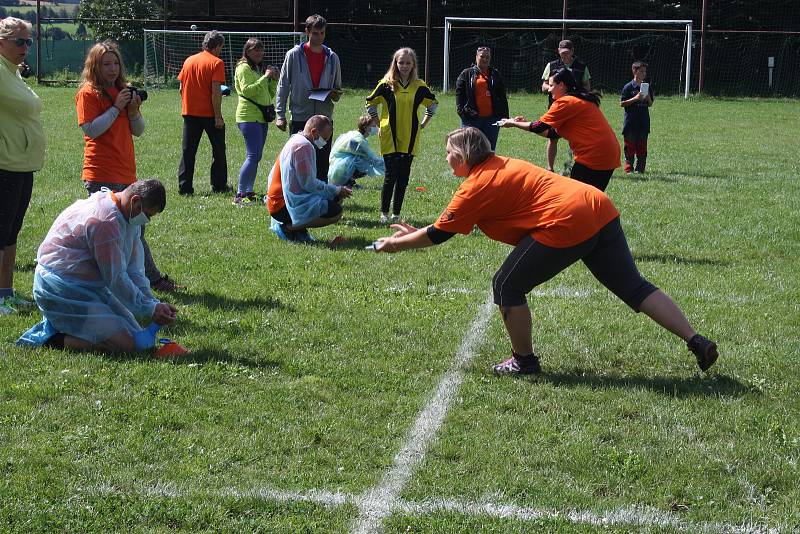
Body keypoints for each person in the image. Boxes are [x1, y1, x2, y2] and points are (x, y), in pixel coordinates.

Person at [373, 127, 719, 375]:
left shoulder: (475, 186)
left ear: (463, 156)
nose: (446, 159)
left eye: (449, 153)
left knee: (507, 286)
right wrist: (414, 233)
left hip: (567, 220)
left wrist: (395, 244)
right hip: (597, 205)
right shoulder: (502, 163)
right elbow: (439, 227)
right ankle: (695, 339)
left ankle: (524, 361)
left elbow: (438, 235)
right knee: (634, 286)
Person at [17, 180, 179, 354]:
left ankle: (67, 325)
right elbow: (116, 279)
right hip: (60, 288)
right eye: (147, 214)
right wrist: (149, 308)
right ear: (135, 201)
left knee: (136, 336)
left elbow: (134, 270)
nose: (146, 220)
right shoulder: (105, 222)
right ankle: (49, 338)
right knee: (125, 346)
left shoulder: (128, 217)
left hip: (87, 287)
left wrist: (153, 303)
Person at [75, 41, 181, 292]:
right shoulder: (88, 93)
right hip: (100, 172)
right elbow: (91, 129)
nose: (112, 69)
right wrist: (116, 108)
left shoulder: (122, 90)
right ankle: (138, 280)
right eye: (105, 64)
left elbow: (139, 131)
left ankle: (139, 279)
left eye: (115, 63)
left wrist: (132, 110)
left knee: (134, 230)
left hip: (126, 172)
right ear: (94, 66)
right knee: (109, 232)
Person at [500, 67, 620, 192]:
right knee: (593, 199)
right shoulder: (578, 99)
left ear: (561, 85)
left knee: (578, 199)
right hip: (609, 154)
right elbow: (551, 133)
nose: (549, 89)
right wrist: (524, 123)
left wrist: (513, 123)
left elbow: (539, 126)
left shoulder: (565, 102)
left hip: (594, 156)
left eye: (551, 85)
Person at [0, 17, 45, 315]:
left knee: (11, 234)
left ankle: (6, 292)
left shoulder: (12, 72)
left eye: (28, 41)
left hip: (22, 165)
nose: (25, 47)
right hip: (5, 164)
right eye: (19, 41)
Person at [366, 47, 437, 224]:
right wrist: (377, 123)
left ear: (413, 64)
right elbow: (370, 104)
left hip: (411, 137)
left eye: (408, 62)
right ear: (395, 63)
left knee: (403, 177)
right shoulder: (386, 84)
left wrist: (423, 125)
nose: (404, 66)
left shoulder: (419, 86)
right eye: (401, 62)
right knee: (391, 175)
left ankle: (396, 214)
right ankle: (383, 213)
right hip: (390, 136)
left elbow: (433, 105)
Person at [274, 14, 342, 182]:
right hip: (300, 118)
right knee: (298, 162)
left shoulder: (332, 58)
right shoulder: (293, 55)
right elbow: (283, 85)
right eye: (316, 33)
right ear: (307, 32)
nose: (319, 37)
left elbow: (338, 90)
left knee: (322, 163)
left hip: (323, 119)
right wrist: (280, 115)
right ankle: (296, 200)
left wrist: (334, 93)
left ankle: (320, 201)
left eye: (322, 33)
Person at [266, 115, 352, 242]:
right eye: (324, 138)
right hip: (281, 204)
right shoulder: (303, 146)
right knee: (336, 212)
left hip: (278, 200)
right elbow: (309, 184)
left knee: (333, 198)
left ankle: (298, 229)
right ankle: (289, 228)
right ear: (313, 132)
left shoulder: (296, 139)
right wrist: (337, 190)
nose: (325, 142)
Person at [177, 30, 229, 195]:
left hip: (189, 112)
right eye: (221, 47)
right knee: (218, 149)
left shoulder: (189, 60)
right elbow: (215, 91)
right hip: (208, 114)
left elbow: (181, 88)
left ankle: (185, 188)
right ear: (218, 46)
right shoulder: (217, 63)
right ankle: (219, 185)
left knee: (188, 151)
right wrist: (218, 116)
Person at [233, 37, 279, 206]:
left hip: (260, 117)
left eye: (261, 50)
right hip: (248, 117)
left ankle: (249, 192)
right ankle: (239, 194)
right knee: (253, 156)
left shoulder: (256, 69)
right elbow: (248, 91)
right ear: (247, 51)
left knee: (256, 156)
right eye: (255, 50)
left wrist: (273, 80)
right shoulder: (243, 68)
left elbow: (268, 95)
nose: (259, 53)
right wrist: (265, 77)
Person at [540, 39, 591, 174]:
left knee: (575, 139)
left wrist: (579, 95)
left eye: (567, 53)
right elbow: (543, 85)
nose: (564, 55)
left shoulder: (581, 66)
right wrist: (551, 88)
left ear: (572, 51)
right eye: (562, 53)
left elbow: (587, 86)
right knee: (553, 138)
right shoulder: (551, 65)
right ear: (558, 51)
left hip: (575, 109)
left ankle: (576, 166)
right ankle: (550, 168)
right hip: (556, 108)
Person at [455, 46, 509, 150]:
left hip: (492, 120)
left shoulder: (495, 74)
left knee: (489, 149)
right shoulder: (466, 73)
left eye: (487, 57)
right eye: (482, 57)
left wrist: (505, 115)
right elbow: (459, 93)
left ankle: (489, 167)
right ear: (476, 57)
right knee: (469, 150)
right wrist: (461, 112)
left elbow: (502, 95)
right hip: (471, 119)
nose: (485, 59)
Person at [327, 114, 385, 187]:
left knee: (362, 160)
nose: (376, 128)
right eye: (373, 126)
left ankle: (350, 182)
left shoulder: (355, 135)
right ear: (365, 127)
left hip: (336, 170)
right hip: (338, 173)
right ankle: (346, 182)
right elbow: (372, 159)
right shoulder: (358, 141)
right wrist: (390, 167)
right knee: (364, 162)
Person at [620, 61, 654, 174]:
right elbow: (622, 103)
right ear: (634, 71)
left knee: (642, 147)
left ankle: (640, 169)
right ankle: (629, 169)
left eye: (645, 71)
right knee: (629, 147)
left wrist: (648, 97)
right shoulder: (628, 87)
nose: (644, 74)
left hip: (643, 122)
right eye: (641, 71)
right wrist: (636, 98)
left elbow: (650, 104)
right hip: (631, 122)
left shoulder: (647, 86)